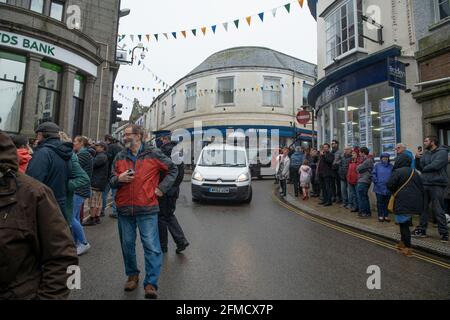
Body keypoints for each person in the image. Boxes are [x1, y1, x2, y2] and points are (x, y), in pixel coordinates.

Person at [0, 131, 78, 299]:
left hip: (41, 200)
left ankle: (83, 243)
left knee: (67, 236)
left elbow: (65, 260)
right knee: (68, 231)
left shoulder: (42, 156)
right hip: (57, 199)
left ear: (41, 135)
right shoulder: (67, 153)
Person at [110, 125, 178, 299]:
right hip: (124, 209)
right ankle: (132, 276)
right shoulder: (119, 156)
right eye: (124, 135)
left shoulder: (153, 154)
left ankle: (151, 283)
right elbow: (111, 179)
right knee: (127, 245)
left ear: (139, 136)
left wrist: (161, 189)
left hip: (147, 208)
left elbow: (173, 170)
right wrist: (119, 178)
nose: (124, 137)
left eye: (127, 134)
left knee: (151, 246)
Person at [26, 122, 73, 218]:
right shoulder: (65, 152)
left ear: (41, 135)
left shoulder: (43, 153)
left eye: (37, 135)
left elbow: (32, 181)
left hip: (44, 204)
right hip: (59, 202)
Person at [387, 153, 424, 257]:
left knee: (404, 226)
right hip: (415, 202)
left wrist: (395, 192)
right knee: (406, 223)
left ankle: (408, 248)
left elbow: (389, 185)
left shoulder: (397, 171)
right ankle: (402, 244)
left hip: (402, 202)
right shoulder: (415, 172)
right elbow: (421, 187)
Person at [413, 136, 449, 242]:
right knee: (423, 209)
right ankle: (422, 230)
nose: (424, 143)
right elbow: (419, 167)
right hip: (425, 183)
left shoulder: (442, 152)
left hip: (437, 184)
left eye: (426, 141)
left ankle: (444, 233)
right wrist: (417, 158)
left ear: (433, 142)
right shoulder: (426, 153)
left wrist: (424, 168)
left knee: (438, 209)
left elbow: (436, 165)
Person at [158, 135, 189, 254]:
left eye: (162, 139)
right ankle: (180, 241)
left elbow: (160, 174)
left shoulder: (162, 153)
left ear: (165, 140)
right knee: (169, 215)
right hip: (174, 191)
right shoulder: (178, 154)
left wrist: (161, 188)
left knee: (161, 217)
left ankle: (163, 246)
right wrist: (174, 187)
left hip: (163, 190)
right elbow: (180, 175)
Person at [72, 136, 93, 255]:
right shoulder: (83, 154)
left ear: (81, 143)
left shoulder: (83, 155)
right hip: (80, 189)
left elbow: (72, 169)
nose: (73, 143)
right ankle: (76, 242)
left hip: (79, 189)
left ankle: (83, 243)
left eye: (75, 141)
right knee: (74, 217)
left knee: (70, 217)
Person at [84, 141, 109, 226]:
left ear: (102, 148)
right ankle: (97, 217)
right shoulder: (103, 156)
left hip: (96, 182)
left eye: (98, 146)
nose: (96, 147)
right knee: (98, 201)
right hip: (100, 182)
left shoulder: (101, 156)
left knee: (93, 202)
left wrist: (90, 157)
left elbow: (92, 164)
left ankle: (92, 218)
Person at [103, 135, 123, 219]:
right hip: (118, 173)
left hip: (109, 173)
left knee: (105, 192)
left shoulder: (109, 147)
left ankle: (101, 210)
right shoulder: (120, 148)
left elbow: (107, 160)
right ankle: (116, 212)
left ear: (107, 140)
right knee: (115, 194)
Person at [373, 153, 393, 222]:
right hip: (379, 187)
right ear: (381, 158)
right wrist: (376, 182)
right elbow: (373, 174)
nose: (385, 159)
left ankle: (386, 215)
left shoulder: (391, 166)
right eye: (383, 157)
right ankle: (380, 215)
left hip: (388, 188)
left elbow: (393, 175)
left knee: (386, 203)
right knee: (380, 202)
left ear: (388, 159)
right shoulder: (377, 165)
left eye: (386, 158)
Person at [356, 147, 374, 218]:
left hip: (364, 180)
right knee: (364, 197)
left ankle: (364, 213)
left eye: (360, 152)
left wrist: (360, 168)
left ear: (363, 153)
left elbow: (358, 168)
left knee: (362, 197)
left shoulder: (368, 160)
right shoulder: (365, 160)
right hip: (364, 180)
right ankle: (366, 212)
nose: (359, 154)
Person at [347, 148, 362, 213]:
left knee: (358, 195)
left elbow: (359, 172)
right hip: (350, 180)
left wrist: (357, 179)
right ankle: (355, 207)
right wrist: (348, 177)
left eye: (354, 153)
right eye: (352, 153)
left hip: (356, 181)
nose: (352, 154)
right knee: (353, 195)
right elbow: (349, 171)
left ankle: (359, 208)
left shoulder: (359, 162)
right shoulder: (351, 161)